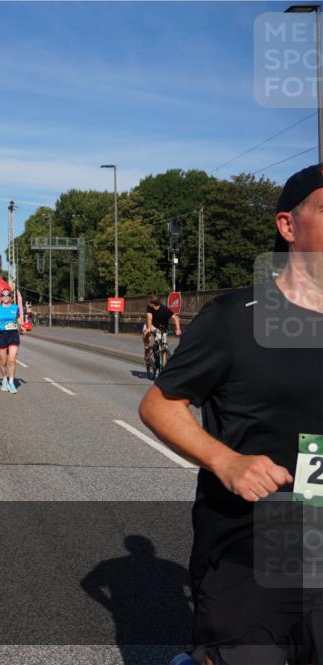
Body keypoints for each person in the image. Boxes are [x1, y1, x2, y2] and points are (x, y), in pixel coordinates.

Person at [139, 163, 323, 665]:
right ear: (287, 226)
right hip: (252, 542)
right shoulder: (235, 319)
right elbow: (160, 404)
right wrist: (226, 461)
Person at [0, 288, 23, 394]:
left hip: (13, 334)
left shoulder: (15, 307)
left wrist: (21, 326)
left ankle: (11, 382)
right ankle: (4, 380)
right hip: (1, 335)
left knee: (12, 359)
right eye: (4, 296)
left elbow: (18, 319)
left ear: (10, 297)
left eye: (8, 296)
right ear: (1, 298)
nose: (6, 297)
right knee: (3, 361)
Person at [142, 295, 181, 366]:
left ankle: (163, 366)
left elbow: (175, 318)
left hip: (162, 328)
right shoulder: (149, 308)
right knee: (145, 333)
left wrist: (178, 329)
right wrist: (149, 328)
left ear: (152, 304)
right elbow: (149, 317)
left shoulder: (165, 310)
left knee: (164, 345)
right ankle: (147, 348)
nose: (148, 304)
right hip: (152, 325)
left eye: (149, 303)